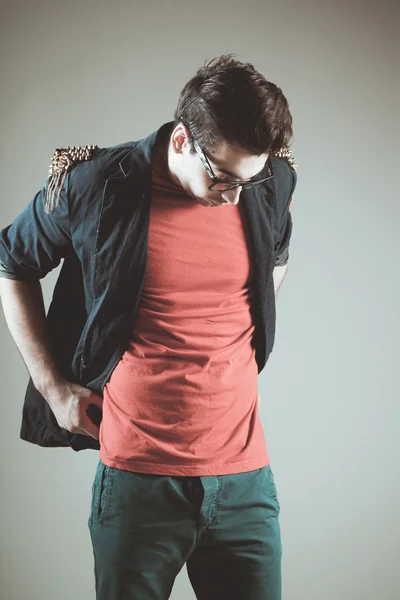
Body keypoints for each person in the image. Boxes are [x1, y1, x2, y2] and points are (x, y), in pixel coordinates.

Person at [0, 54, 297, 600]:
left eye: (247, 183)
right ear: (183, 140)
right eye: (224, 178)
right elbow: (10, 261)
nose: (235, 196)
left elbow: (276, 252)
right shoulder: (93, 184)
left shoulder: (267, 182)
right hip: (138, 482)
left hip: (245, 481)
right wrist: (52, 387)